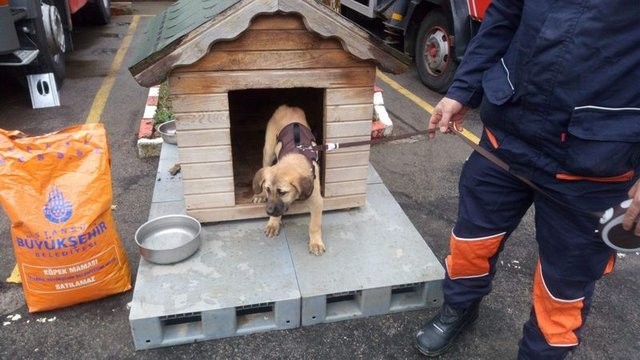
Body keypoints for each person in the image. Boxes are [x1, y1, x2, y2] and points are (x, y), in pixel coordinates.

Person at [415, 0, 640, 358]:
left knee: (564, 286)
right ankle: (459, 307)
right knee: (472, 240)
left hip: (595, 161)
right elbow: (503, 16)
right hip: (508, 133)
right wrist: (462, 91)